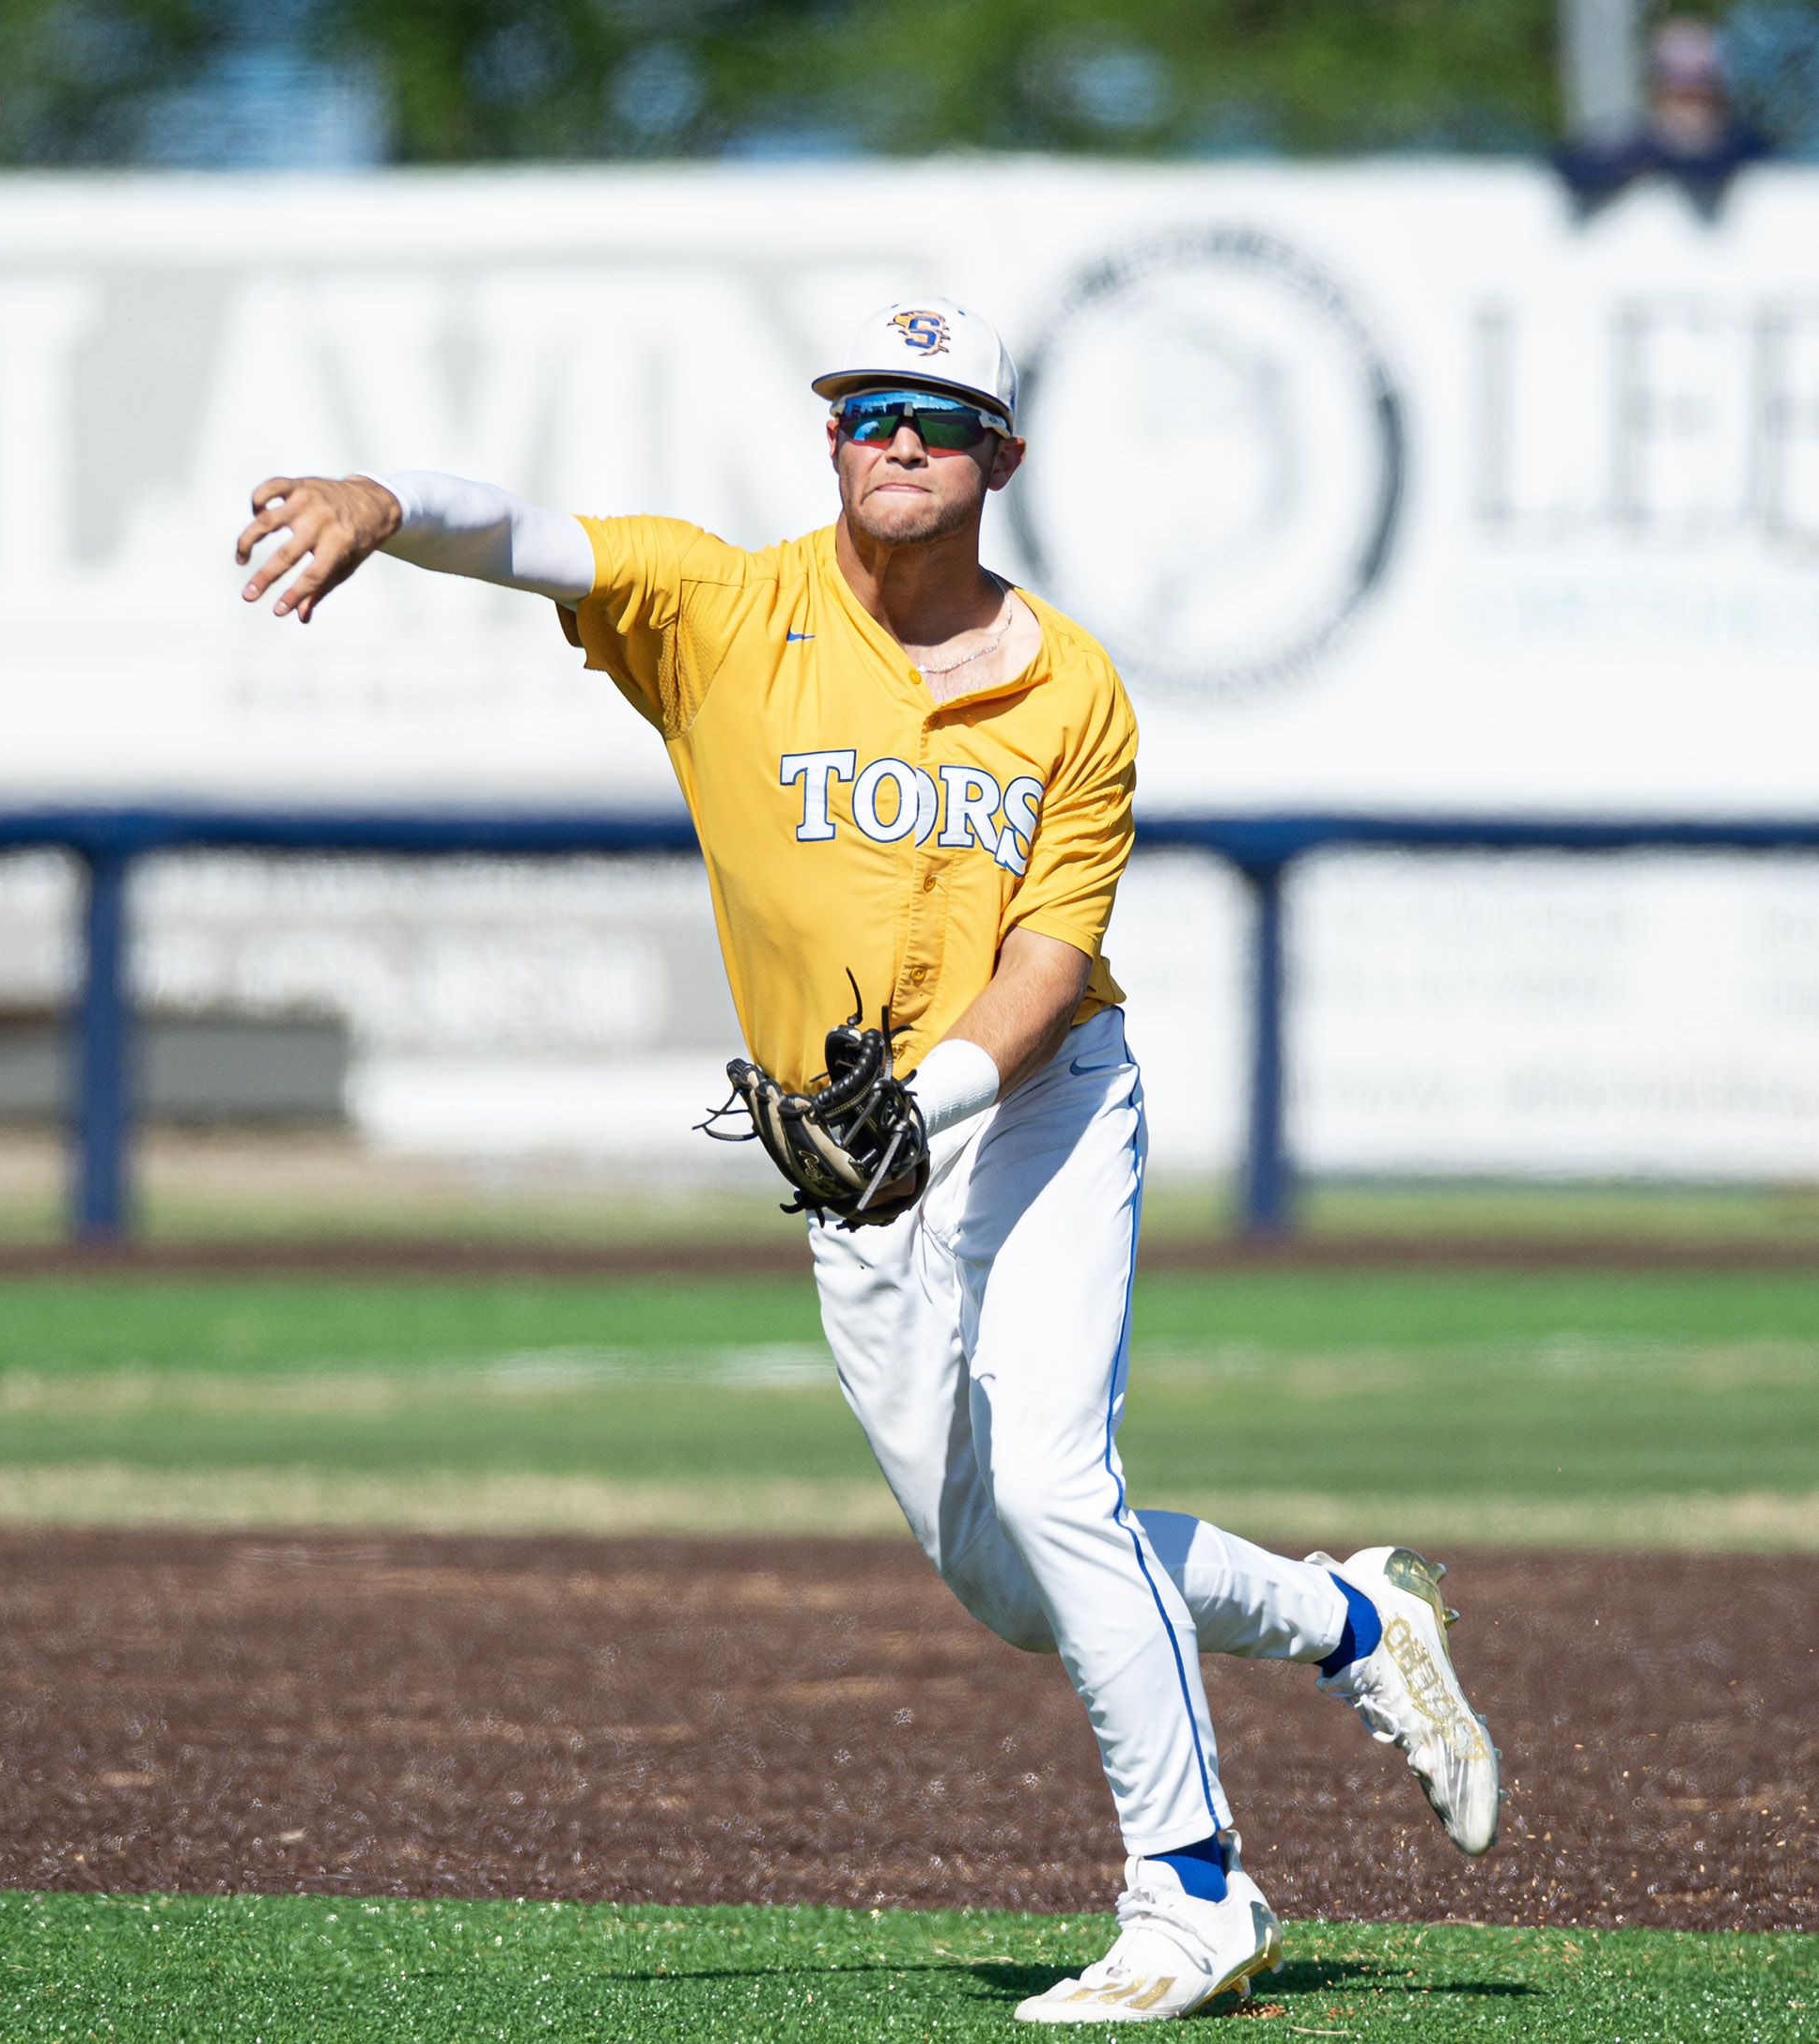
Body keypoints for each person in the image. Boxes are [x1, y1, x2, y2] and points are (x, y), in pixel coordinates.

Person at [234, 296, 1500, 2023]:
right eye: (868, 408)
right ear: (830, 439)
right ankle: (1354, 1624)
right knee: (1006, 1576)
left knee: (1059, 1483)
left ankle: (1194, 1900)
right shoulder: (723, 604)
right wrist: (383, 504)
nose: (899, 437)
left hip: (1034, 1104)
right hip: (855, 1165)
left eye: (940, 413)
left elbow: (1048, 970)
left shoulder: (1071, 685)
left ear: (1002, 457)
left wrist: (942, 1100)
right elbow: (526, 533)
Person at [1556, 16, 1770, 221]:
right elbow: (1574, 172)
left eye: (1700, 79)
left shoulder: (1751, 147)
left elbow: (1711, 172)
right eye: (1674, 79)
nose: (1688, 90)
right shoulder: (1628, 149)